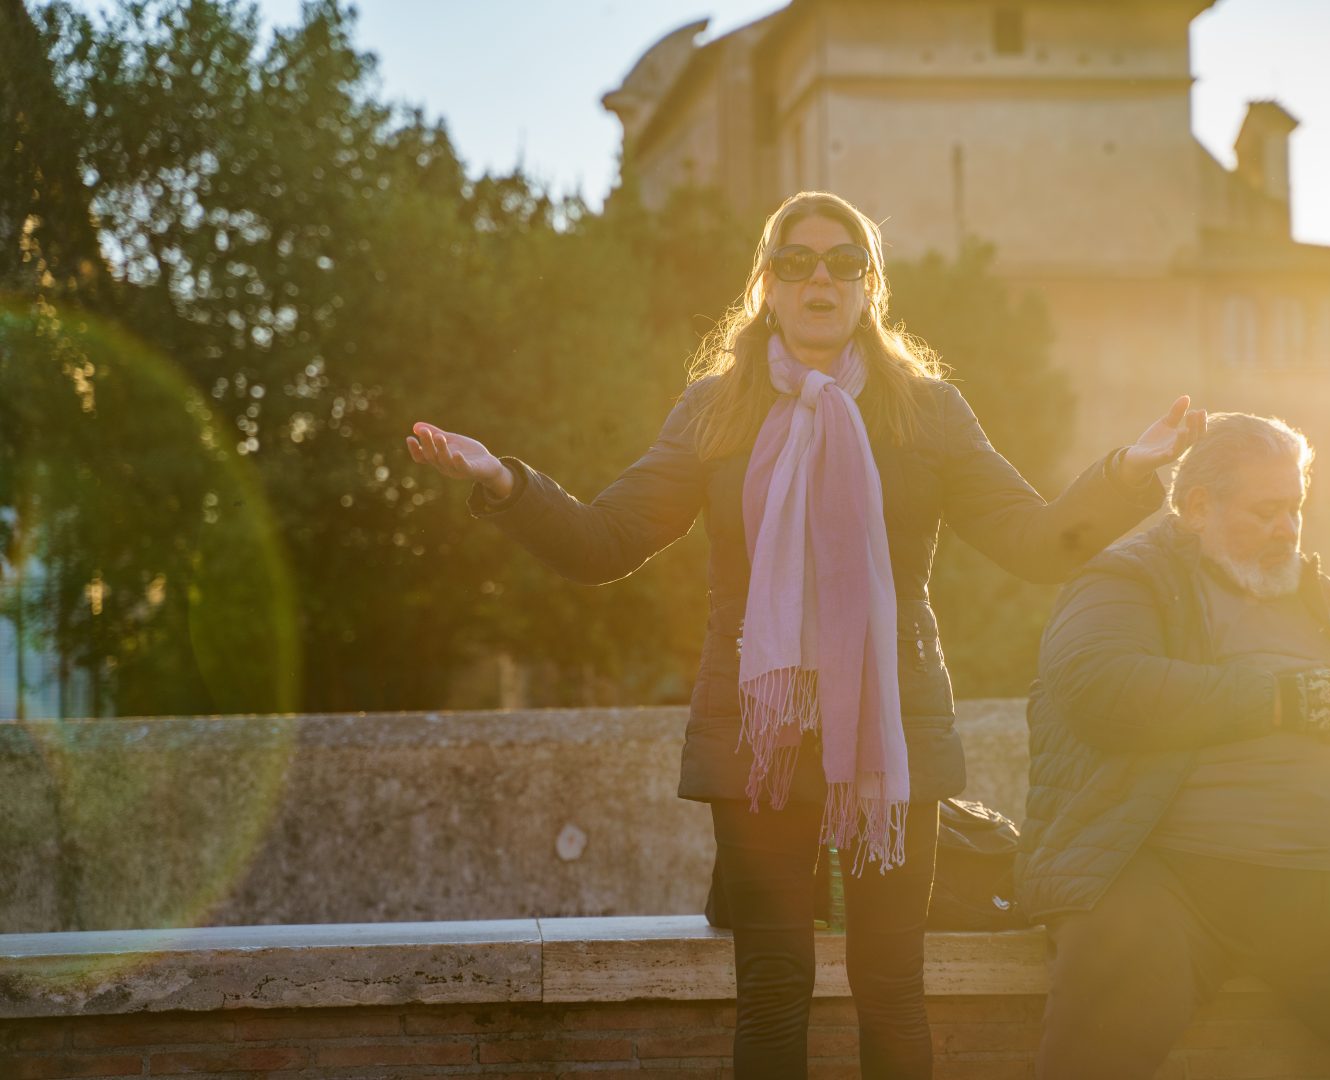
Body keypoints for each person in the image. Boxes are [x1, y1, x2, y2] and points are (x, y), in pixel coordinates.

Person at [407, 190, 1203, 1079]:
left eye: (844, 262)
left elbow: (1034, 541)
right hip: (759, 735)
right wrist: (504, 482)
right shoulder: (714, 411)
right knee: (774, 984)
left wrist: (1128, 473)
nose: (820, 278)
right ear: (768, 285)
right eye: (796, 261)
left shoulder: (927, 412)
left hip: (892, 731)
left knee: (890, 985)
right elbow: (606, 542)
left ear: (870, 288)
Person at [1016, 412, 1330, 1080]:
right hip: (1179, 882)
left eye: (1295, 509)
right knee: (1110, 984)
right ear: (1197, 508)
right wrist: (1279, 700)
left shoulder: (1318, 594)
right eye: (1266, 511)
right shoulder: (1125, 579)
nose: (1287, 529)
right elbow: (1098, 688)